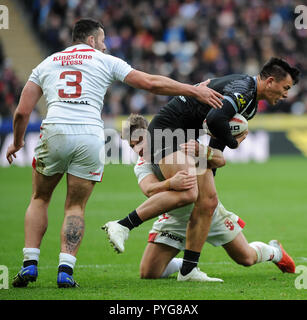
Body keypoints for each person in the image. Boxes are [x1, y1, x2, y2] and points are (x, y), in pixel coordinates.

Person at [6, 18, 224, 288]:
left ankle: (29, 264)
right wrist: (194, 90)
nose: (105, 45)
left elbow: (22, 112)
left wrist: (16, 142)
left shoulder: (46, 63)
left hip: (54, 131)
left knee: (39, 198)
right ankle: (65, 270)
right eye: (103, 40)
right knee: (75, 206)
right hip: (90, 135)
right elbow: (151, 83)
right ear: (91, 40)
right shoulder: (105, 60)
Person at [103, 57, 300, 281]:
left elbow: (217, 154)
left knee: (237, 247)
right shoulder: (243, 90)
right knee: (191, 193)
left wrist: (207, 156)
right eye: (285, 88)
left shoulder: (249, 104)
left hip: (182, 145)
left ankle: (189, 268)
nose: (286, 95)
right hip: (169, 132)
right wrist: (234, 142)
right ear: (271, 81)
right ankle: (124, 227)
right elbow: (215, 119)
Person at [128, 125, 295, 280]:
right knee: (148, 273)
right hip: (176, 218)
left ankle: (275, 252)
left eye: (140, 141)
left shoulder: (180, 144)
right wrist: (170, 183)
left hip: (207, 212)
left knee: (246, 258)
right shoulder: (142, 164)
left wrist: (205, 151)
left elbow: (219, 161)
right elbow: (149, 189)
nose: (138, 149)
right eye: (132, 145)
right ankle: (185, 264)